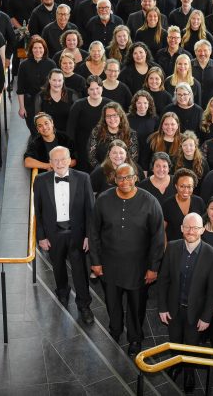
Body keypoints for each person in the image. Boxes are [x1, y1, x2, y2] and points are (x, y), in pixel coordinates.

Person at [89, 163, 165, 355]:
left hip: (138, 267)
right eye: (120, 178)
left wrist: (153, 267)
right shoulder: (103, 200)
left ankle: (135, 338)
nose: (124, 182)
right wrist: (95, 262)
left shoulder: (150, 201)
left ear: (135, 177)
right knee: (112, 303)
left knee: (136, 306)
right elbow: (94, 233)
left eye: (128, 177)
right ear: (115, 179)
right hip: (109, 265)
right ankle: (114, 331)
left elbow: (158, 237)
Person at [158, 212, 213, 393]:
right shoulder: (172, 247)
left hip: (197, 313)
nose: (191, 230)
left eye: (195, 227)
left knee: (191, 346)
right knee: (175, 341)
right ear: (181, 229)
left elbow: (212, 291)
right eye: (187, 227)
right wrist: (162, 307)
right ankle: (176, 365)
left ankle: (189, 373)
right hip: (173, 309)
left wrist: (207, 317)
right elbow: (163, 280)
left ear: (202, 230)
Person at [34, 146, 95, 324]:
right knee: (57, 265)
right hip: (53, 234)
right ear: (50, 162)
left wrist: (88, 236)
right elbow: (37, 211)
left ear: (69, 160)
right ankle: (62, 291)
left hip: (76, 233)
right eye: (55, 160)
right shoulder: (40, 180)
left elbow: (90, 210)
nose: (60, 163)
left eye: (63, 159)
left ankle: (84, 305)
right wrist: (41, 236)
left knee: (80, 271)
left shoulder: (83, 178)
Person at [66, 75, 106, 173]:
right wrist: (71, 152)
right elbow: (70, 129)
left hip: (103, 146)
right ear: (87, 90)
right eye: (91, 89)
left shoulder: (109, 104)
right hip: (82, 148)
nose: (95, 92)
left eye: (97, 88)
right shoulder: (78, 105)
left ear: (102, 88)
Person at [17, 36, 56, 130]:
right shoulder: (24, 65)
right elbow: (20, 88)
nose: (38, 50)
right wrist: (22, 107)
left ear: (44, 49)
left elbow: (55, 85)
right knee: (34, 129)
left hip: (47, 101)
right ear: (31, 49)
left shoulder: (51, 64)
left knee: (48, 129)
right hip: (30, 103)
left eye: (40, 48)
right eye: (35, 48)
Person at [87, 101, 139, 168]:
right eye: (108, 116)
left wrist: (120, 171)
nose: (112, 119)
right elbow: (91, 157)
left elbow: (133, 159)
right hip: (102, 171)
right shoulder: (97, 132)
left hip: (124, 173)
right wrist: (102, 170)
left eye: (115, 115)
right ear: (104, 118)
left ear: (120, 116)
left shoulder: (131, 134)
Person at [162, 168, 206, 243]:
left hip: (195, 247)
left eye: (189, 187)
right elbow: (162, 230)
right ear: (176, 186)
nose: (186, 190)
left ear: (193, 187)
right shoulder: (167, 204)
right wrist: (166, 248)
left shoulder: (199, 202)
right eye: (182, 186)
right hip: (174, 248)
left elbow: (204, 227)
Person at [34, 68, 78, 133]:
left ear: (63, 81)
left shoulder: (72, 95)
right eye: (54, 80)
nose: (57, 83)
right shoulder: (40, 96)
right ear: (49, 80)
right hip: (49, 134)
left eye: (59, 80)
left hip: (68, 134)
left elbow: (78, 117)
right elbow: (38, 120)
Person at [127, 90, 158, 169]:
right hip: (131, 157)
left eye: (145, 103)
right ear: (135, 104)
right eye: (139, 103)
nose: (142, 106)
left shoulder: (155, 119)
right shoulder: (127, 118)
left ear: (149, 104)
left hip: (148, 157)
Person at [192, 39, 213, 108]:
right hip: (192, 105)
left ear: (210, 51)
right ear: (195, 52)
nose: (202, 53)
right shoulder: (188, 66)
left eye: (205, 50)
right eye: (199, 51)